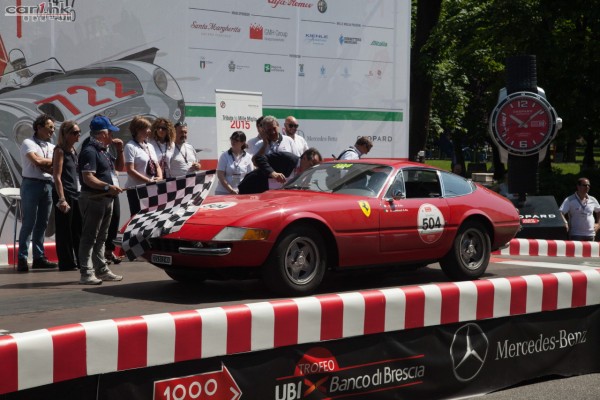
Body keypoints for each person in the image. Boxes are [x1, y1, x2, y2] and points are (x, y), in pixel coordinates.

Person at [77, 116, 125, 285]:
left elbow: (119, 168)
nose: (112, 135)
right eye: (110, 132)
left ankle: (101, 269)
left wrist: (120, 150)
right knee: (89, 237)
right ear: (103, 134)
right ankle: (86, 272)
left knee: (101, 237)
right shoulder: (90, 151)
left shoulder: (103, 150)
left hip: (106, 199)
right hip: (94, 198)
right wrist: (107, 187)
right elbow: (88, 178)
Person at [17, 114, 58, 272]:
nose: (52, 131)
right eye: (49, 127)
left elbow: (50, 166)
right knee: (29, 223)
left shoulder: (52, 147)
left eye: (53, 128)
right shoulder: (28, 143)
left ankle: (38, 257)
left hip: (47, 185)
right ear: (39, 127)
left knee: (42, 223)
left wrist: (46, 163)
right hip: (31, 185)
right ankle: (22, 258)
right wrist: (51, 162)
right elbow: (37, 162)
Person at [52, 120, 82, 271]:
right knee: (64, 229)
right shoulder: (60, 150)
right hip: (64, 193)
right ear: (66, 134)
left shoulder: (73, 151)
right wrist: (62, 198)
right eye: (75, 133)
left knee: (77, 228)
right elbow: (57, 176)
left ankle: (78, 258)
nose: (78, 135)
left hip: (75, 193)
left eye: (79, 132)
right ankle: (66, 262)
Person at [238, 148, 322, 194]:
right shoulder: (288, 159)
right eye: (312, 164)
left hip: (269, 198)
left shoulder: (306, 174)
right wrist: (273, 173)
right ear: (304, 158)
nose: (312, 168)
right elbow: (259, 158)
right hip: (252, 188)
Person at [124, 116, 163, 215]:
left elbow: (157, 165)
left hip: (151, 188)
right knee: (137, 219)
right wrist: (148, 181)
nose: (149, 131)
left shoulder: (150, 146)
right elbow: (130, 170)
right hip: (136, 190)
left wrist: (160, 177)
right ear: (138, 130)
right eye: (147, 128)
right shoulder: (130, 146)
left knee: (152, 216)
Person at [559, 177, 600, 241]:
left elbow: (598, 211)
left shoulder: (592, 199)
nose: (587, 187)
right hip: (576, 234)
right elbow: (560, 212)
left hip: (591, 234)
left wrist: (598, 224)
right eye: (584, 185)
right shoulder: (570, 200)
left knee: (590, 251)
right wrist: (565, 223)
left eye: (588, 185)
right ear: (578, 186)